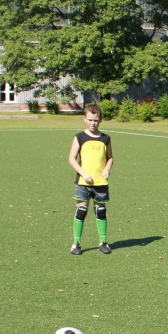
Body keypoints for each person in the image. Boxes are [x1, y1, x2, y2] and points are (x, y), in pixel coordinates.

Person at [68, 103, 114, 255]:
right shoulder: (79, 137)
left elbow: (110, 158)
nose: (92, 123)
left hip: (100, 183)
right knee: (81, 211)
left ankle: (103, 242)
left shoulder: (105, 138)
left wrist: (107, 169)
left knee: (100, 211)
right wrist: (83, 173)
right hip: (83, 183)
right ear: (84, 119)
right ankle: (76, 244)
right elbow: (72, 159)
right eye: (90, 120)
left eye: (95, 120)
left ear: (100, 120)